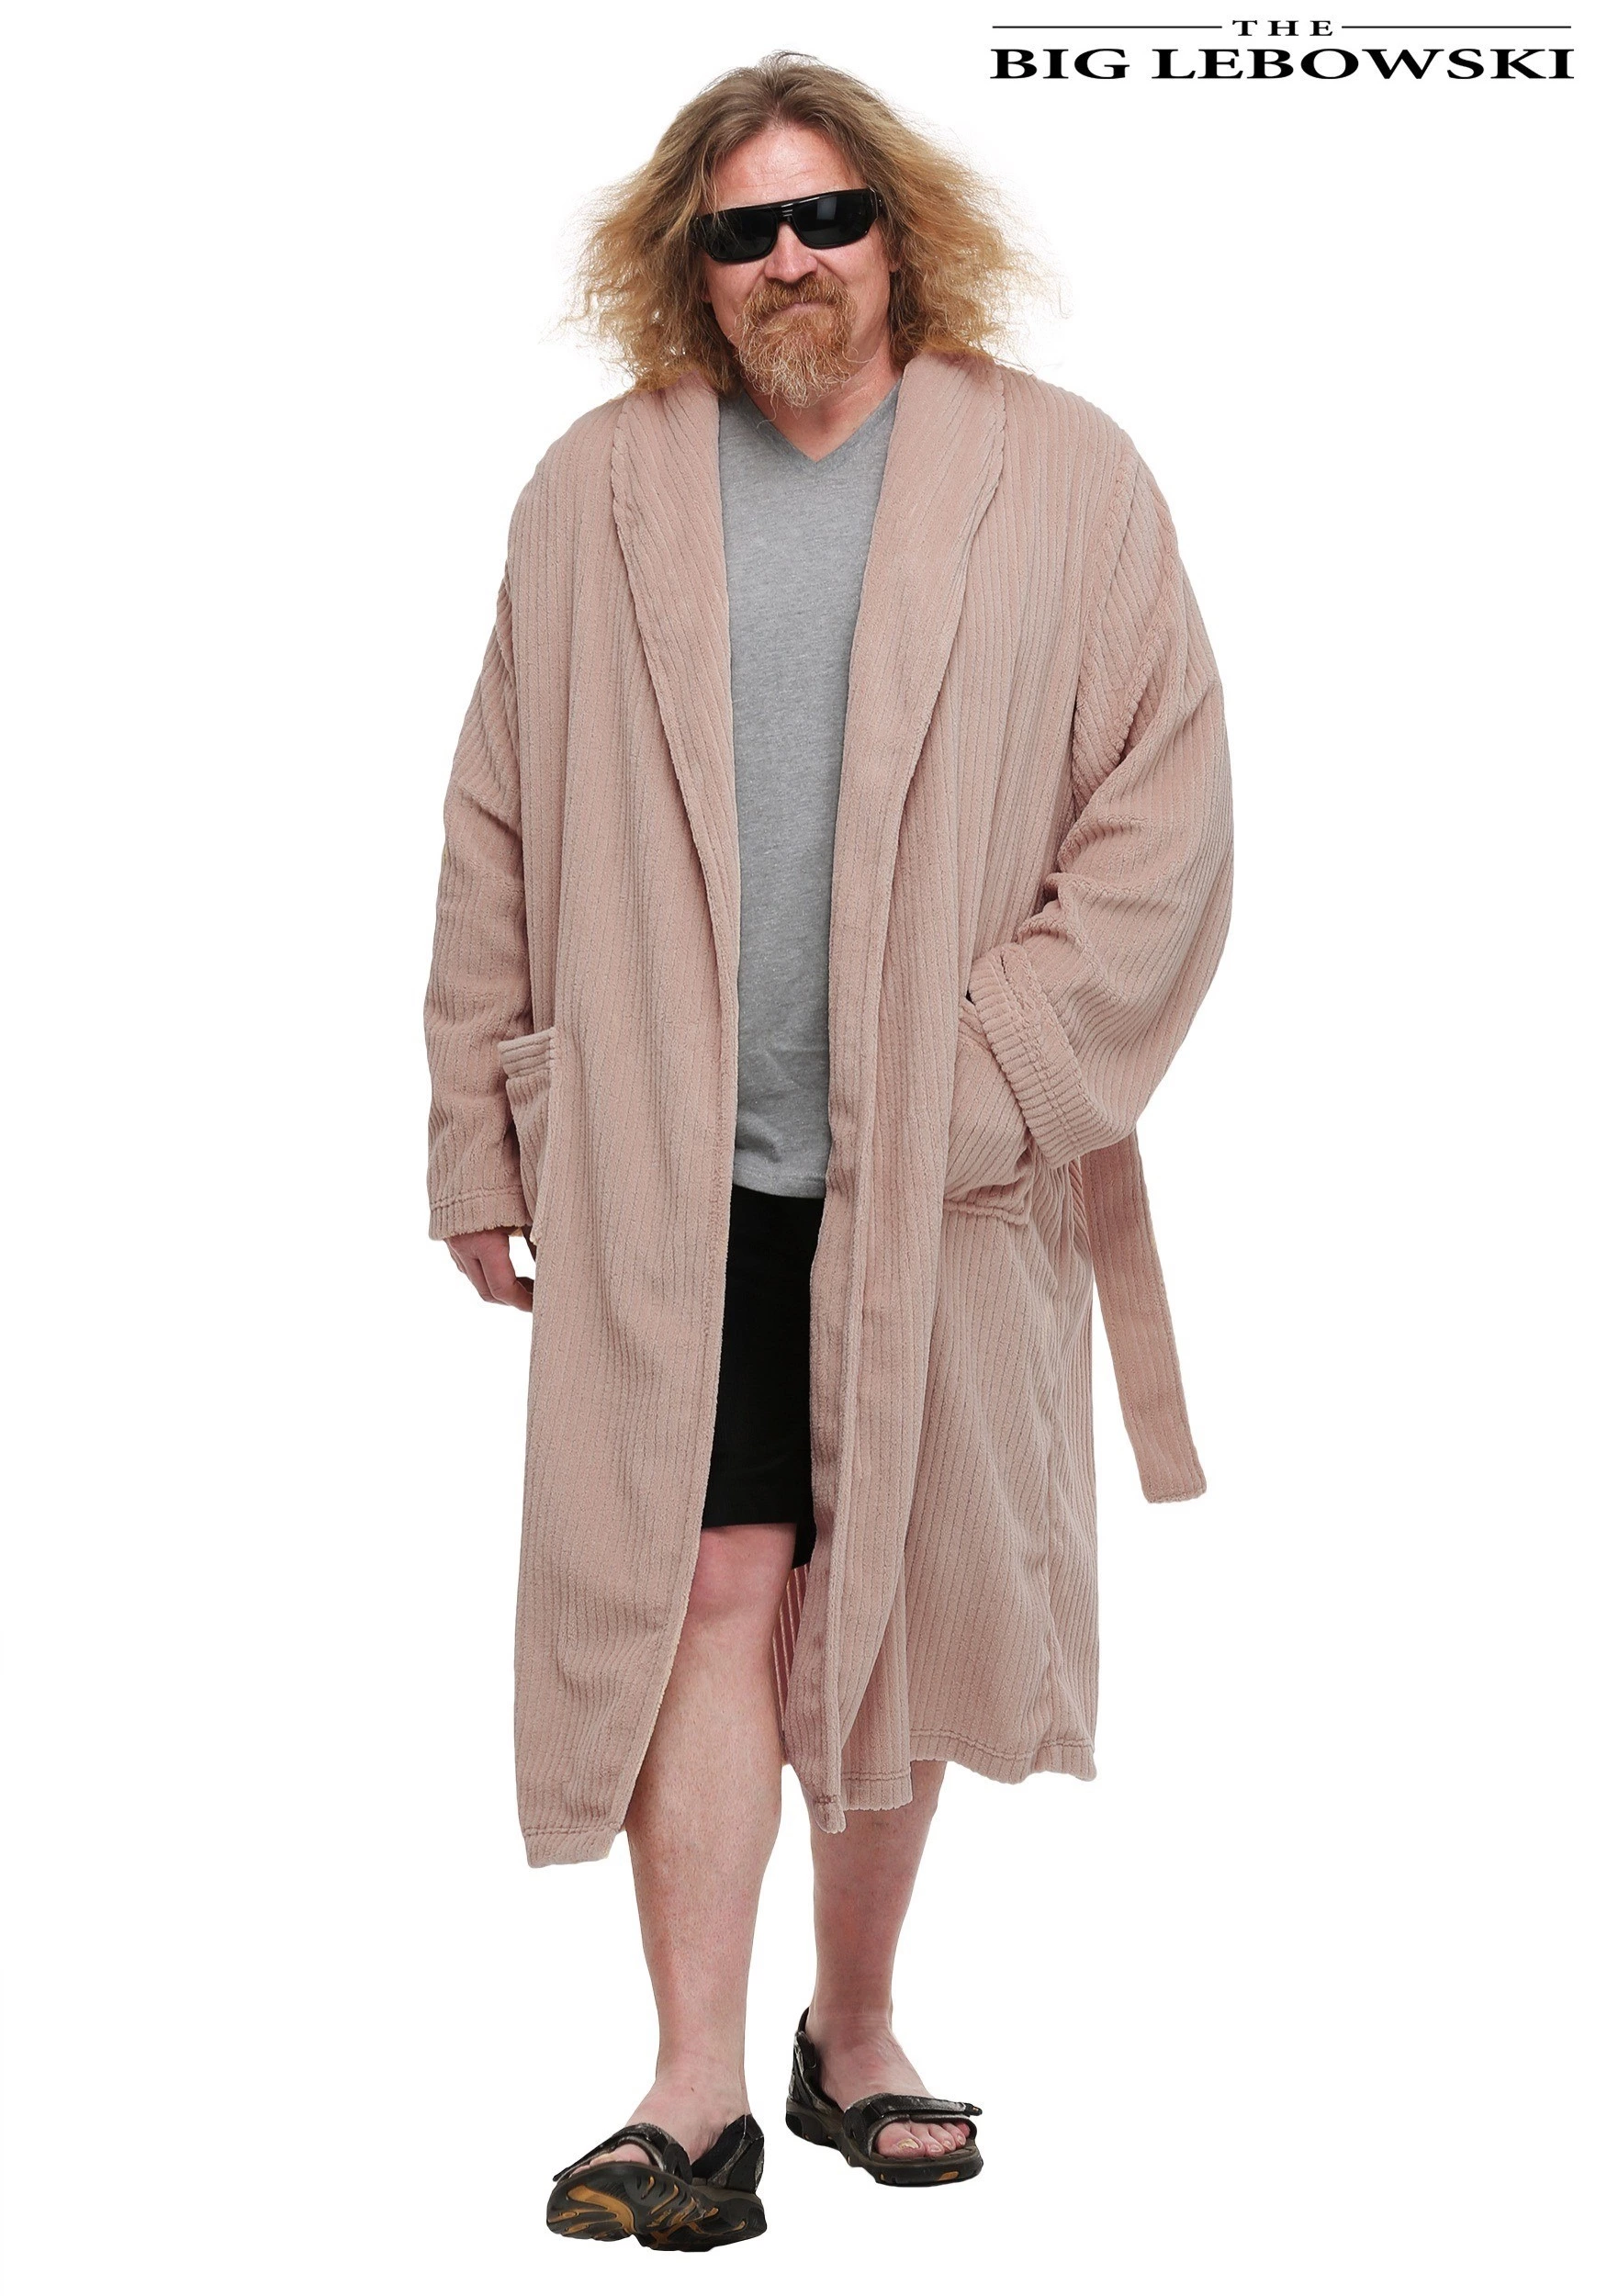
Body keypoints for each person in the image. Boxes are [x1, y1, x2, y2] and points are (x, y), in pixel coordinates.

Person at [422, 51, 1232, 2251]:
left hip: (940, 1168)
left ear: (899, 234)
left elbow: (1162, 819)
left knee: (888, 1601)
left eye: (828, 215)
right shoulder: (595, 491)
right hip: (666, 1167)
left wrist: (988, 1077)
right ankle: (692, 2088)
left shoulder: (1060, 479)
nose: (790, 257)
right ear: (686, 266)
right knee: (703, 1581)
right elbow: (495, 819)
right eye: (742, 228)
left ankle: (851, 2027)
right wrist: (477, 1125)